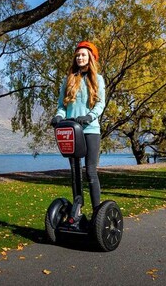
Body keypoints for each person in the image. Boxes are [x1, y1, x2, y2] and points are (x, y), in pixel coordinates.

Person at [51, 41, 106, 207]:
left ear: (90, 58)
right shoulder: (68, 80)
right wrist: (58, 117)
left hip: (90, 129)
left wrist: (90, 116)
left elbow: (100, 103)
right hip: (72, 130)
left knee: (90, 172)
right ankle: (77, 211)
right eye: (78, 55)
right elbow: (62, 105)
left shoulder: (98, 79)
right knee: (75, 173)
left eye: (83, 55)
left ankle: (98, 213)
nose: (80, 57)